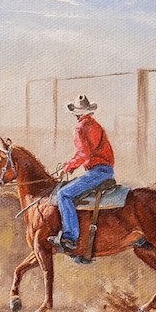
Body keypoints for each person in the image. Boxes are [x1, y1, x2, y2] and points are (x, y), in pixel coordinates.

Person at [50, 94, 115, 262]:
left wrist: (68, 167)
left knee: (63, 194)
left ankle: (70, 238)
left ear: (76, 113)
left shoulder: (80, 128)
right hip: (106, 170)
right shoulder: (95, 125)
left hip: (97, 172)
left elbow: (84, 153)